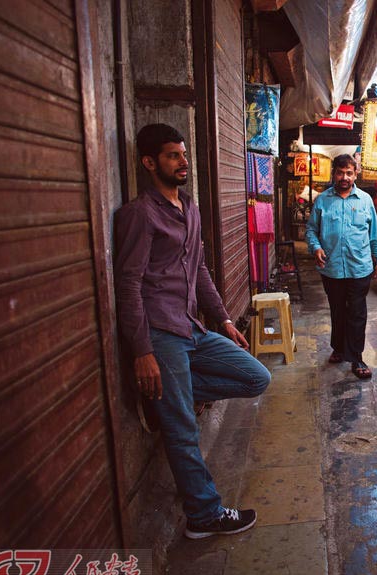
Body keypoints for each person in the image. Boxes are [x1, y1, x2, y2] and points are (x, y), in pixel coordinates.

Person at [114, 123, 271, 539]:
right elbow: (128, 284)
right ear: (150, 162)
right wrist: (141, 350)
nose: (183, 162)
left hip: (191, 326)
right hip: (160, 331)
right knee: (183, 428)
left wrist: (221, 319)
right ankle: (204, 516)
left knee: (256, 376)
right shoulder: (139, 214)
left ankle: (165, 398)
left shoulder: (191, 208)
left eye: (184, 154)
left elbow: (198, 269)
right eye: (172, 155)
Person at [305, 153, 377, 379]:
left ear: (355, 174)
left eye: (349, 173)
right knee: (338, 309)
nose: (344, 177)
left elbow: (374, 234)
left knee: (357, 312)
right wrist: (316, 247)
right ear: (334, 174)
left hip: (360, 267)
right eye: (340, 172)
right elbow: (311, 229)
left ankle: (356, 357)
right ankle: (339, 348)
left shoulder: (365, 200)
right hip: (331, 268)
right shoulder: (322, 200)